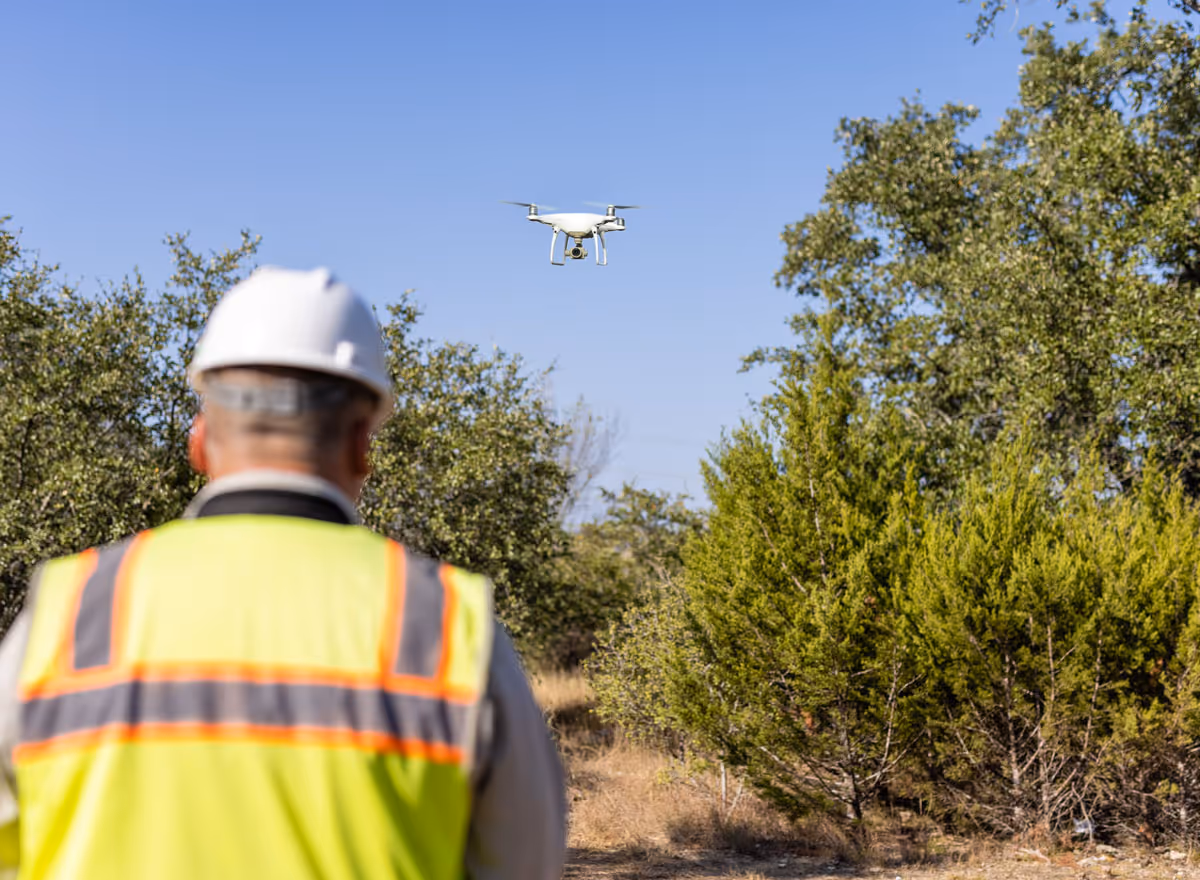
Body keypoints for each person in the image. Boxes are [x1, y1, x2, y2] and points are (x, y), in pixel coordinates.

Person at [0, 267, 566, 880]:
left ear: (199, 439)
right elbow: (525, 861)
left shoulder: (72, 610)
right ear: (360, 445)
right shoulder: (445, 624)